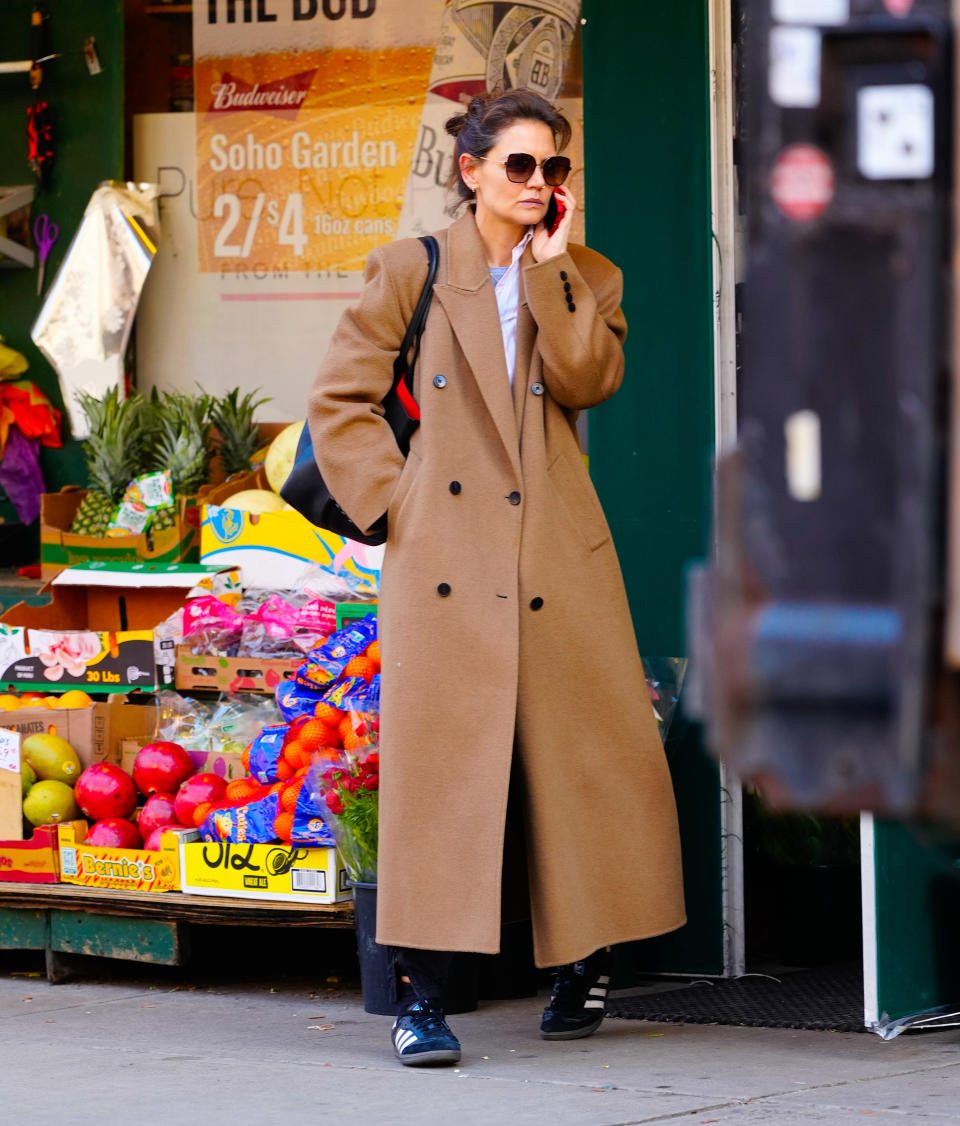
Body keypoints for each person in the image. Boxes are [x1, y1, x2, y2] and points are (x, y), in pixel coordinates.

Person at [307, 87, 685, 1066]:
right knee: (447, 773)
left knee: (583, 763)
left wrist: (552, 268)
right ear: (470, 170)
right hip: (447, 559)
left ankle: (583, 963)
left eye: (553, 168)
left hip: (559, 552)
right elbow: (341, 400)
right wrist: (402, 509)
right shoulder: (412, 268)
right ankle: (422, 999)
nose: (538, 184)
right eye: (519, 166)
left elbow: (587, 379)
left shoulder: (588, 276)